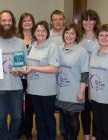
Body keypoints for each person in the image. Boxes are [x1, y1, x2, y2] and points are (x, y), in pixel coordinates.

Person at [0, 10, 27, 140]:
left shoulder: (20, 42)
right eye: (4, 20)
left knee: (17, 117)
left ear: (13, 22)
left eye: (9, 20)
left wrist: (20, 71)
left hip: (16, 87)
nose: (7, 23)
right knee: (1, 117)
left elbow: (24, 65)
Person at [21, 21, 60, 140]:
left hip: (47, 90)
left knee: (48, 117)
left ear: (47, 32)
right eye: (38, 30)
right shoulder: (32, 46)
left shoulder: (52, 46)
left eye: (43, 30)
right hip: (33, 89)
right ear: (34, 32)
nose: (40, 33)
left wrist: (33, 68)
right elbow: (27, 64)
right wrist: (19, 69)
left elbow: (54, 68)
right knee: (39, 117)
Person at [56, 23, 89, 140]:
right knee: (64, 115)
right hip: (61, 90)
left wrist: (82, 92)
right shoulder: (57, 49)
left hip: (75, 91)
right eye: (67, 32)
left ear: (77, 36)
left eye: (72, 33)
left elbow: (85, 73)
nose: (69, 35)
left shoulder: (81, 51)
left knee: (73, 117)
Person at [78, 9, 101, 140]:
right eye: (85, 19)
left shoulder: (100, 36)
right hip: (82, 80)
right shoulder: (78, 37)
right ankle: (86, 136)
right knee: (85, 110)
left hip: (97, 80)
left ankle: (95, 136)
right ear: (81, 22)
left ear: (95, 21)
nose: (88, 22)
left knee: (97, 111)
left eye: (91, 19)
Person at [89, 24, 108, 140]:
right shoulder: (94, 54)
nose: (104, 37)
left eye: (107, 35)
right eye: (101, 35)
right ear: (97, 37)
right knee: (98, 128)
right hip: (95, 97)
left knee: (107, 129)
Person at [17, 12, 35, 140]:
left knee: (30, 106)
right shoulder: (16, 38)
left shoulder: (38, 37)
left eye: (29, 20)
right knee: (17, 106)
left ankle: (28, 131)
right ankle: (20, 129)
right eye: (25, 21)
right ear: (21, 24)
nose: (27, 23)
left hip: (33, 77)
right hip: (18, 77)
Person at [49, 9, 67, 138]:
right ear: (51, 21)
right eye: (55, 19)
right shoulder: (46, 36)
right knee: (51, 106)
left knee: (64, 106)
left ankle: (64, 131)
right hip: (50, 76)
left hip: (67, 76)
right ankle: (51, 132)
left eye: (60, 19)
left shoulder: (70, 34)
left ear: (64, 20)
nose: (58, 22)